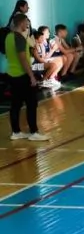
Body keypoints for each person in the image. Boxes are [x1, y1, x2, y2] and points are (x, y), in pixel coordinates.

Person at [5, 13, 49, 141]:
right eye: (26, 23)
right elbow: (23, 59)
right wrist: (31, 76)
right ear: (21, 23)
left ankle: (16, 132)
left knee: (15, 104)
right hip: (22, 75)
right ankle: (34, 132)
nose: (27, 25)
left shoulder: (8, 37)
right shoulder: (19, 37)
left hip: (11, 74)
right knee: (31, 103)